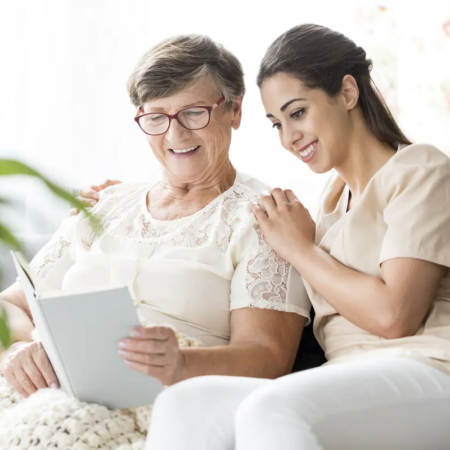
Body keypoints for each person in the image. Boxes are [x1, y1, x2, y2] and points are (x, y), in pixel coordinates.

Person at [139, 24, 450, 450]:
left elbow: (394, 316)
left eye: (297, 113)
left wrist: (299, 249)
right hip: (347, 377)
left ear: (346, 92)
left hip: (429, 367)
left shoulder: (421, 171)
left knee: (271, 409)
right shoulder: (329, 202)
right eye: (276, 124)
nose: (289, 138)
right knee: (186, 401)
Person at [0, 35, 310, 399]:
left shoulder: (265, 219)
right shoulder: (106, 203)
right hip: (42, 394)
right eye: (156, 117)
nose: (175, 134)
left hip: (163, 401)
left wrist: (180, 362)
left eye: (194, 112)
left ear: (234, 110)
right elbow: (11, 303)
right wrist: (17, 352)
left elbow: (268, 357)